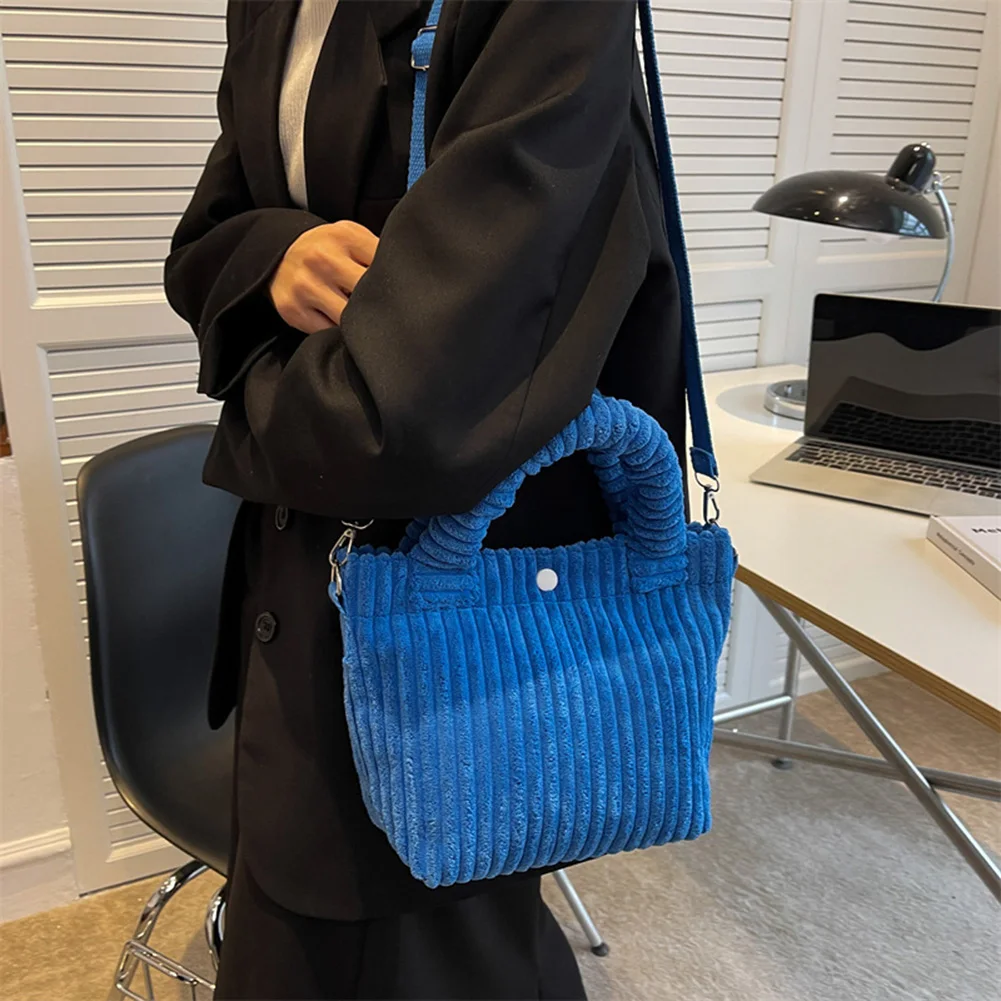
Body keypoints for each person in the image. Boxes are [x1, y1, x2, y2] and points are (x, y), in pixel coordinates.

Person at [164, 1, 689, 997]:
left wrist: (245, 400)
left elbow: (399, 420)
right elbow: (199, 249)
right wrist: (274, 253)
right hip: (298, 581)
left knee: (411, 939)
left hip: (444, 628)